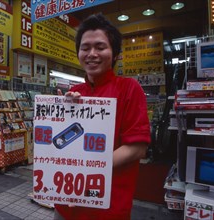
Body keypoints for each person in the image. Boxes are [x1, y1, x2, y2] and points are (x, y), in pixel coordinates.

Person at [55, 14, 151, 220]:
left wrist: (88, 168)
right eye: (85, 47)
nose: (92, 54)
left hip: (107, 208)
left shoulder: (129, 89)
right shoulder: (75, 92)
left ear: (114, 53)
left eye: (100, 47)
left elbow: (137, 148)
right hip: (66, 204)